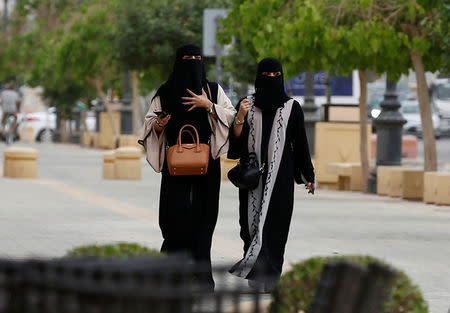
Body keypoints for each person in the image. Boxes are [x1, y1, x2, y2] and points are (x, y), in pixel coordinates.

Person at [138, 44, 236, 290]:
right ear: (178, 61)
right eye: (187, 58)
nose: (192, 62)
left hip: (207, 163)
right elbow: (150, 124)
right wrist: (160, 125)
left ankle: (201, 276)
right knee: (174, 218)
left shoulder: (213, 90)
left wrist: (208, 106)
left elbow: (232, 116)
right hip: (175, 164)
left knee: (205, 218)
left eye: (197, 58)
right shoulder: (166, 91)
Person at [228, 57, 315, 291]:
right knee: (250, 226)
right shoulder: (246, 104)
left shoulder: (292, 108)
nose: (271, 80)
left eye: (276, 76)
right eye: (266, 76)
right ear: (258, 77)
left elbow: (301, 144)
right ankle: (256, 275)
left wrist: (309, 176)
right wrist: (239, 117)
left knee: (276, 227)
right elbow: (234, 148)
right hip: (252, 178)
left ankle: (272, 277)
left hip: (281, 178)